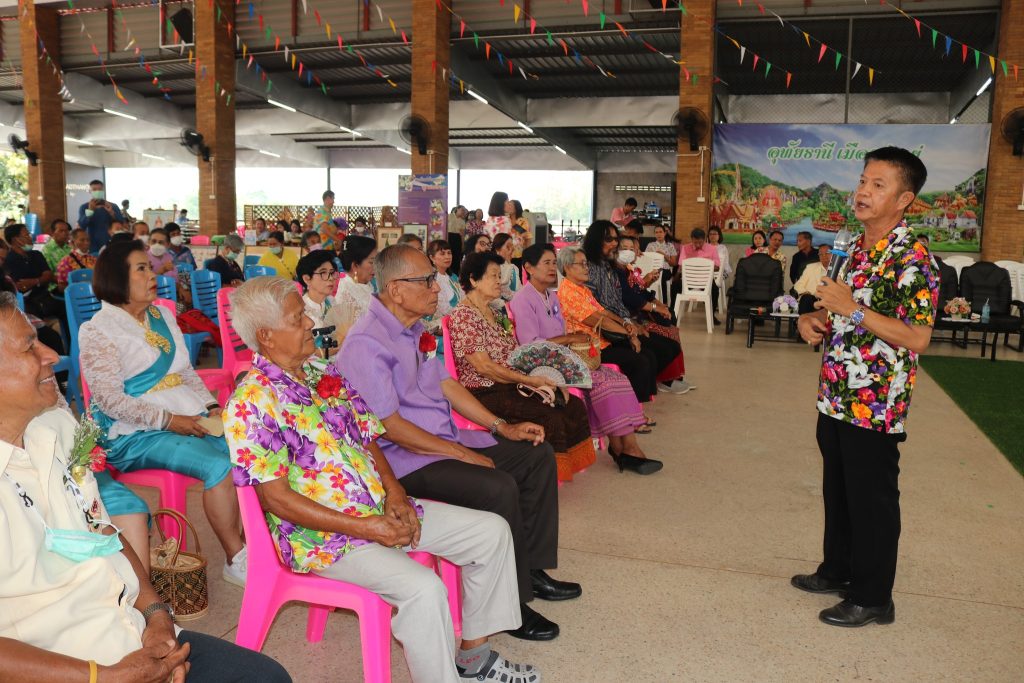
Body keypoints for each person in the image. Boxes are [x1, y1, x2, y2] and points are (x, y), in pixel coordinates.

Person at [226, 278, 538, 682]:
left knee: (490, 532)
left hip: (378, 509)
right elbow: (277, 500)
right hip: (325, 538)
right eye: (297, 317)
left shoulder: (321, 370)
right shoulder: (251, 403)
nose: (310, 323)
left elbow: (367, 435)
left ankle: (474, 658)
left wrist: (395, 492)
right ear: (266, 336)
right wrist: (367, 527)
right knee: (424, 589)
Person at [0, 292, 292, 683]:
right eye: (29, 347)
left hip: (125, 629)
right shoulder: (101, 330)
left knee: (266, 677)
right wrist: (102, 676)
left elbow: (103, 531)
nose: (52, 355)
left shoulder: (57, 426)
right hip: (61, 666)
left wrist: (157, 616)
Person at [339, 244, 576, 643]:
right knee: (497, 485)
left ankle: (530, 570)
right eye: (427, 281)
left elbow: (447, 384)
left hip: (443, 443)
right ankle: (512, 605)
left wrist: (501, 427)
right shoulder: (366, 342)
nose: (437, 288)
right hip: (406, 462)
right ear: (396, 289)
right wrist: (461, 453)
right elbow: (388, 427)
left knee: (536, 457)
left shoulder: (414, 329)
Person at [794, 146, 938, 628]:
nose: (863, 191)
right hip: (835, 392)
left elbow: (918, 337)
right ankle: (837, 569)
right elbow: (835, 306)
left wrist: (852, 309)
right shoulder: (854, 246)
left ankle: (874, 597)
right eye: (862, 181)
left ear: (904, 199)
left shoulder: (914, 258)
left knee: (871, 499)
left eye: (878, 185)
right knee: (837, 489)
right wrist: (813, 318)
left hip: (875, 403)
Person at [78, 239, 249, 586]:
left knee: (246, 450)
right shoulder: (98, 329)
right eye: (141, 268)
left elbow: (185, 373)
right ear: (117, 277)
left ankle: (252, 541)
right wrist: (171, 421)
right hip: (131, 433)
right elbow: (110, 400)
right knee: (218, 464)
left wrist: (212, 407)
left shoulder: (162, 316)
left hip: (183, 415)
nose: (152, 275)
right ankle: (236, 558)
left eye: (150, 267)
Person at [512, 244, 661, 474]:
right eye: (546, 263)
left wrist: (571, 342)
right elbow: (530, 345)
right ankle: (624, 450)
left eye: (554, 263)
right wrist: (570, 338)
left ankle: (625, 447)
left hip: (564, 356)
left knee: (616, 378)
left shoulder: (551, 296)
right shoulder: (523, 299)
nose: (552, 268)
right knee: (604, 383)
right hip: (543, 364)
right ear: (529, 268)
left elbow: (573, 325)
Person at [451, 252, 597, 482]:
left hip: (512, 383)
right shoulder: (464, 316)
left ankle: (561, 468)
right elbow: (485, 367)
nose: (499, 281)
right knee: (548, 415)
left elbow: (517, 355)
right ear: (473, 280)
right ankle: (543, 474)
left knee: (572, 404)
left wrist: (548, 380)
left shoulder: (494, 312)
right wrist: (531, 381)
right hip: (486, 389)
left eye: (499, 275)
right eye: (493, 276)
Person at [582, 221, 689, 394]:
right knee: (653, 353)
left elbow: (625, 298)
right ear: (596, 240)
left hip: (625, 321)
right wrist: (629, 328)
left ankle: (657, 382)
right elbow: (601, 309)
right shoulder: (591, 269)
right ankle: (644, 391)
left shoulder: (611, 267)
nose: (614, 244)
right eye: (609, 240)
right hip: (607, 331)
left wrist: (635, 320)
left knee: (669, 343)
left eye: (616, 240)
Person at [556, 245, 661, 408]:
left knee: (648, 353)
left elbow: (602, 311)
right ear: (567, 267)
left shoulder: (581, 288)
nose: (587, 268)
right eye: (582, 264)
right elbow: (600, 320)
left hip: (602, 340)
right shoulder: (568, 292)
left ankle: (639, 403)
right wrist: (629, 334)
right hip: (590, 349)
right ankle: (633, 409)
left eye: (586, 264)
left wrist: (625, 323)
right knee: (639, 361)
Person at [3, 223, 66, 329]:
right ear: (15, 239)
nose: (30, 237)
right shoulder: (9, 260)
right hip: (27, 303)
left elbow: (48, 275)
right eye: (26, 235)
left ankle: (71, 338)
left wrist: (34, 281)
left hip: (45, 297)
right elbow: (20, 286)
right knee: (39, 326)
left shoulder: (36, 254)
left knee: (67, 309)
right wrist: (40, 280)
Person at [328, 234, 377, 345]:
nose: (376, 266)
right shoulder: (346, 292)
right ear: (355, 266)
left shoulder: (368, 283)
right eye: (371, 262)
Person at [677, 227, 722, 324]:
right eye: (695, 242)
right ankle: (673, 314)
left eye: (700, 242)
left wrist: (704, 265)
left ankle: (711, 315)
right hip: (689, 278)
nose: (697, 245)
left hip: (705, 279)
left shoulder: (712, 249)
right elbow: (681, 264)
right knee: (675, 286)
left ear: (705, 240)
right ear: (691, 239)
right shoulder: (685, 248)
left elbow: (717, 266)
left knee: (715, 290)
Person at [422, 239, 463, 347]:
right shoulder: (431, 279)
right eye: (442, 253)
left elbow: (464, 299)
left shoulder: (453, 277)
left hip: (455, 320)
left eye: (449, 253)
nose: (447, 257)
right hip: (438, 326)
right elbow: (440, 308)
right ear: (432, 257)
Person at [295, 250, 338, 348]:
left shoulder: (332, 302)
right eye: (323, 273)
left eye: (332, 273)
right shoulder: (300, 310)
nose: (331, 278)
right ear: (307, 279)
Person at [77, 179, 124, 253]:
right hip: (92, 245)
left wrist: (112, 213)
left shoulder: (113, 206)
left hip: (111, 243)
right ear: (90, 191)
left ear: (103, 191)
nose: (97, 191)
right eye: (94, 189)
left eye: (100, 189)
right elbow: (81, 226)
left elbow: (121, 224)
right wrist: (90, 211)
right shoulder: (84, 207)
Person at [644, 224, 678, 303]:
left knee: (662, 276)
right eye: (656, 232)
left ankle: (664, 302)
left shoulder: (670, 246)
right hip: (652, 269)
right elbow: (646, 259)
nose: (658, 234)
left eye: (660, 232)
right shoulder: (650, 245)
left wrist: (665, 256)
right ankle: (649, 301)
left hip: (665, 270)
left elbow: (673, 263)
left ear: (664, 233)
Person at [794, 245, 830, 314]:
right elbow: (798, 285)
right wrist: (805, 292)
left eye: (827, 253)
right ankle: (803, 320)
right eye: (821, 254)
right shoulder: (811, 267)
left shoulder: (840, 270)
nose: (824, 256)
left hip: (830, 301)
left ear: (834, 254)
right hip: (812, 299)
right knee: (806, 298)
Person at [492, 233, 521, 302]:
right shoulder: (492, 267)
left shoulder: (514, 267)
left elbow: (518, 289)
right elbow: (501, 286)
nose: (512, 249)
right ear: (497, 249)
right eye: (508, 246)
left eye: (512, 246)